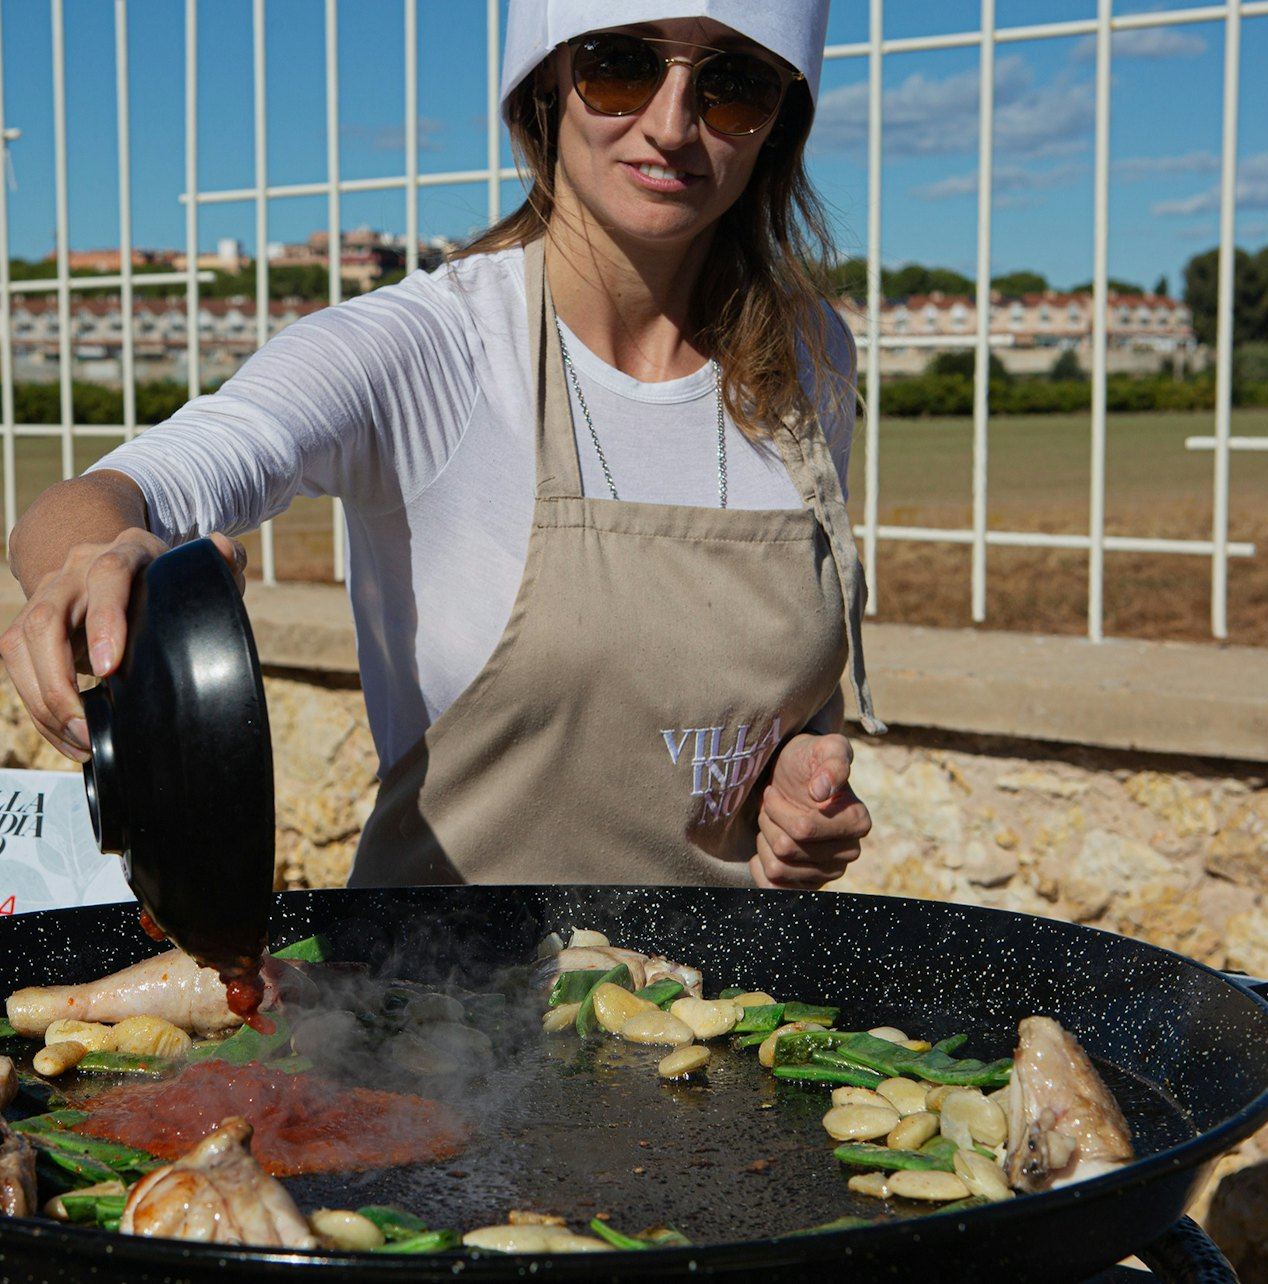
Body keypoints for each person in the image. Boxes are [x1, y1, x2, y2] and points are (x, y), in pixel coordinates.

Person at [1, 0, 883, 891]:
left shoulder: (809, 354)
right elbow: (127, 489)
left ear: (781, 120)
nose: (670, 123)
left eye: (734, 84)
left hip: (729, 1008)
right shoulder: (428, 348)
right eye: (620, 65)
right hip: (440, 1008)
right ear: (546, 83)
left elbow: (755, 706)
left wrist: (794, 784)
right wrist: (91, 560)